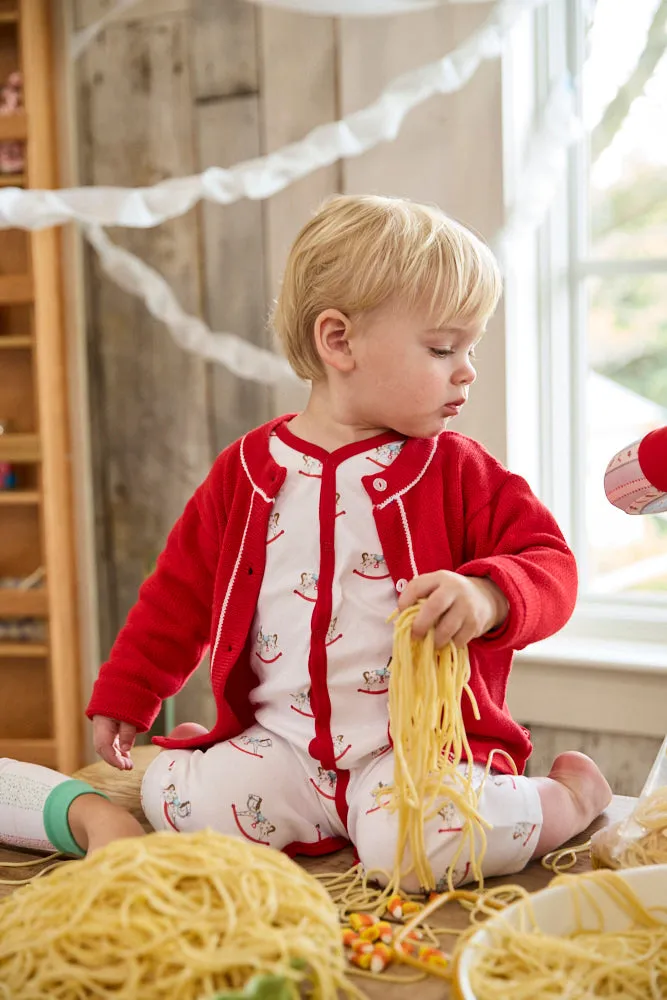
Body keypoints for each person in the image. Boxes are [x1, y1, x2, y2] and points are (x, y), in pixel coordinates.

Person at [0, 195, 611, 883]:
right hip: (283, 748)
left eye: (469, 348)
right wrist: (126, 693)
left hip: (406, 757)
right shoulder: (248, 472)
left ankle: (565, 798)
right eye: (443, 348)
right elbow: (177, 593)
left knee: (416, 851)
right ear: (338, 341)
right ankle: (237, 769)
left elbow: (550, 564)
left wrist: (488, 593)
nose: (466, 369)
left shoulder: (459, 470)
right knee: (168, 796)